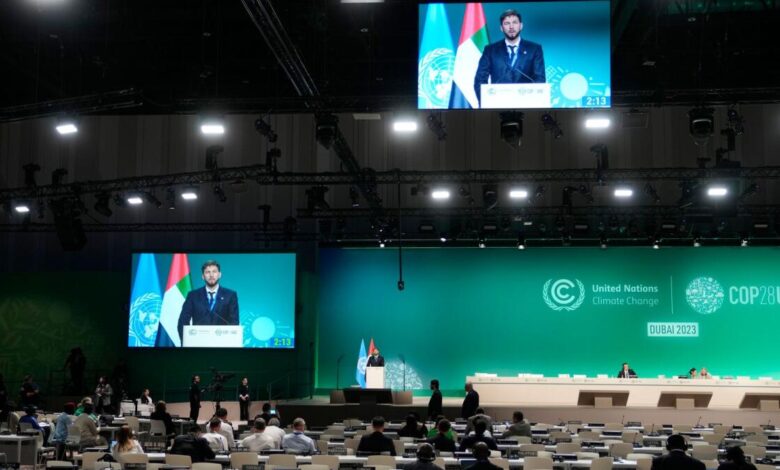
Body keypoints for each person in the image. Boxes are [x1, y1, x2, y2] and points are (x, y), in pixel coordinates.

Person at [473, 9, 545, 107]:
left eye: (515, 22)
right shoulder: (490, 50)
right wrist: (486, 103)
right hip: (497, 107)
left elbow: (540, 79)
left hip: (527, 106)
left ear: (521, 26)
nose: (511, 27)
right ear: (501, 28)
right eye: (507, 23)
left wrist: (533, 103)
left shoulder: (534, 49)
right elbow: (480, 80)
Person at [177, 260, 240, 341]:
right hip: (198, 344)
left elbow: (234, 322)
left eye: (214, 271)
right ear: (203, 276)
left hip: (222, 344)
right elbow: (183, 321)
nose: (211, 275)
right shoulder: (193, 296)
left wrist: (228, 342)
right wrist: (187, 342)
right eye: (207, 272)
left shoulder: (230, 295)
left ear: (219, 274)